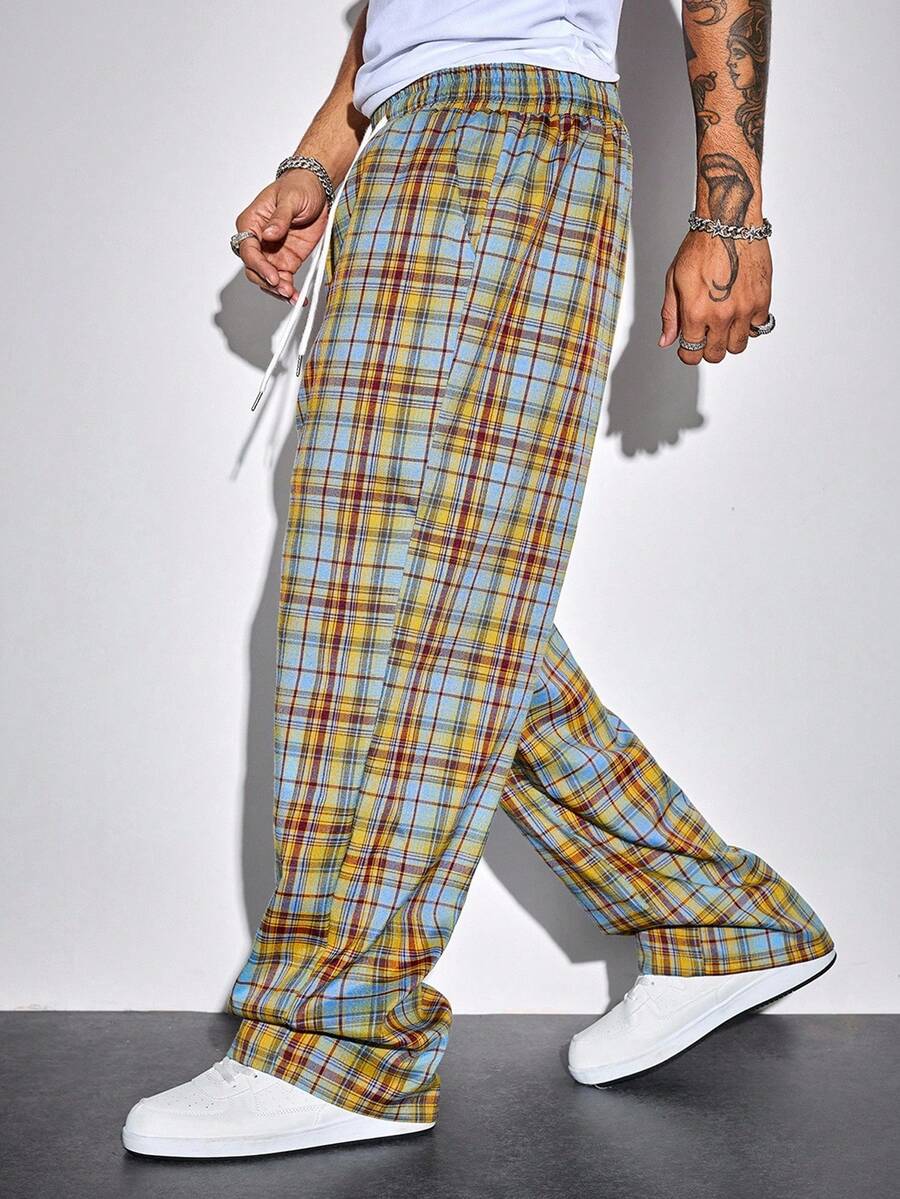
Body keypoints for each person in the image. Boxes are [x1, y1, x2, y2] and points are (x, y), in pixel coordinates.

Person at [122, 0, 835, 1159]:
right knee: (441, 592)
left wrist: (732, 208)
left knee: (394, 591)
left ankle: (340, 1040)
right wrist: (319, 159)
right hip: (416, 139)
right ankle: (717, 918)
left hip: (503, 137)